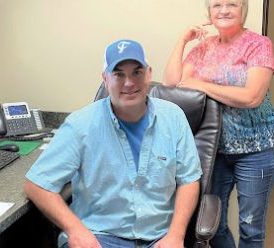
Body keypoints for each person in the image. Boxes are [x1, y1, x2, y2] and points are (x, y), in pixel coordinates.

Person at [24, 39, 202, 248]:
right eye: (118, 74)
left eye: (137, 72)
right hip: (99, 236)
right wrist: (75, 230)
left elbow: (188, 179)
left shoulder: (173, 117)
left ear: (149, 73)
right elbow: (37, 185)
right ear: (105, 79)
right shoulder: (81, 124)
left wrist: (176, 235)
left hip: (159, 237)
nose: (129, 83)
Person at [163, 0, 274, 248]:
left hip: (257, 151)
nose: (224, 10)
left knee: (251, 228)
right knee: (212, 225)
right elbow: (172, 83)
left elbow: (251, 97)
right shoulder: (204, 46)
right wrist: (183, 40)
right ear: (209, 12)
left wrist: (201, 85)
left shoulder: (258, 44)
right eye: (217, 5)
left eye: (232, 4)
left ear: (243, 8)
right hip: (214, 151)